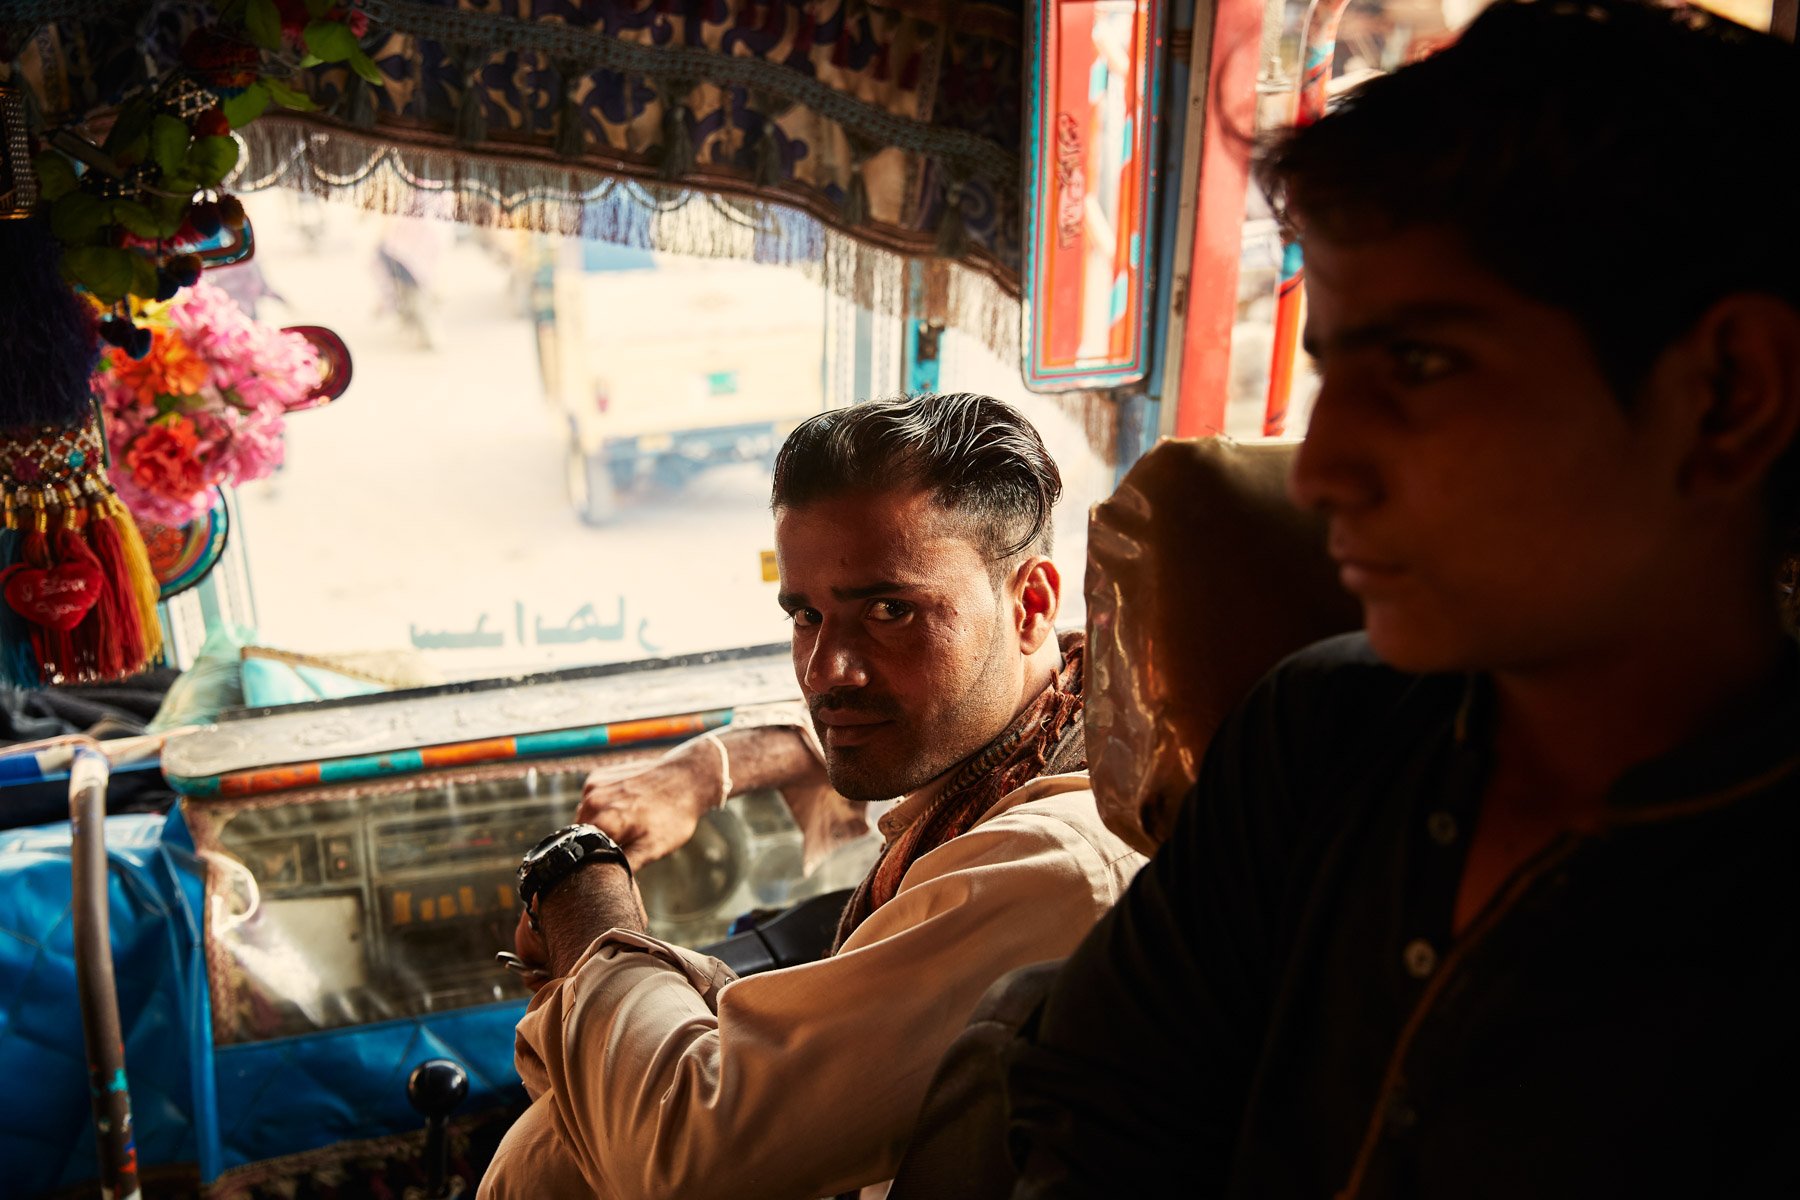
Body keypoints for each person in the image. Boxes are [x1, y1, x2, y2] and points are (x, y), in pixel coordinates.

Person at [1004, 2, 1800, 1196]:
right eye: (1333, 369)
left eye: (1421, 365)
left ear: (1729, 393)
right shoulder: (1320, 732)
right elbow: (1094, 1120)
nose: (1322, 471)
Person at [478, 392, 1145, 1200]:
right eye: (805, 616)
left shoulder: (1057, 863)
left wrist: (591, 910)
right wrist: (704, 780)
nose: (827, 670)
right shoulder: (1018, 755)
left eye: (890, 611)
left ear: (1031, 604)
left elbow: (689, 1160)